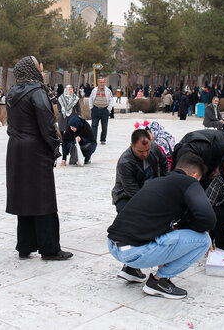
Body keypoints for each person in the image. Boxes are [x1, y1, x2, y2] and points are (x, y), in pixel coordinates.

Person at [107, 153, 216, 299]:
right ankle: (159, 281)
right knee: (203, 240)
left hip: (114, 246)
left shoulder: (155, 182)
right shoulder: (189, 182)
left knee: (157, 226)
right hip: (134, 252)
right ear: (195, 175)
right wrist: (188, 226)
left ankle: (131, 270)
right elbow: (208, 219)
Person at [6, 56, 72, 261]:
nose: (43, 73)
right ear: (33, 71)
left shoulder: (12, 92)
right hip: (35, 150)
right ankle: (49, 248)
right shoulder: (36, 92)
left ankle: (25, 246)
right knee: (44, 199)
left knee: (24, 196)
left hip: (16, 149)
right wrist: (55, 147)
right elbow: (47, 124)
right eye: (41, 69)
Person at [110, 129, 169, 282]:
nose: (145, 154)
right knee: (133, 225)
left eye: (147, 150)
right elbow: (133, 192)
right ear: (131, 146)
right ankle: (131, 266)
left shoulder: (154, 148)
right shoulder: (125, 162)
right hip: (126, 196)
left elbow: (164, 163)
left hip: (151, 191)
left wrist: (163, 184)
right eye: (140, 151)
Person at [89, 77, 114, 145]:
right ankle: (93, 140)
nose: (102, 84)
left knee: (104, 126)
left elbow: (111, 100)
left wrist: (108, 109)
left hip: (104, 110)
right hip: (95, 110)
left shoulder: (108, 91)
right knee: (94, 126)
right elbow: (91, 99)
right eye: (101, 82)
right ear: (98, 83)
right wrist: (91, 108)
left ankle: (103, 139)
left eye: (103, 82)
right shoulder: (94, 90)